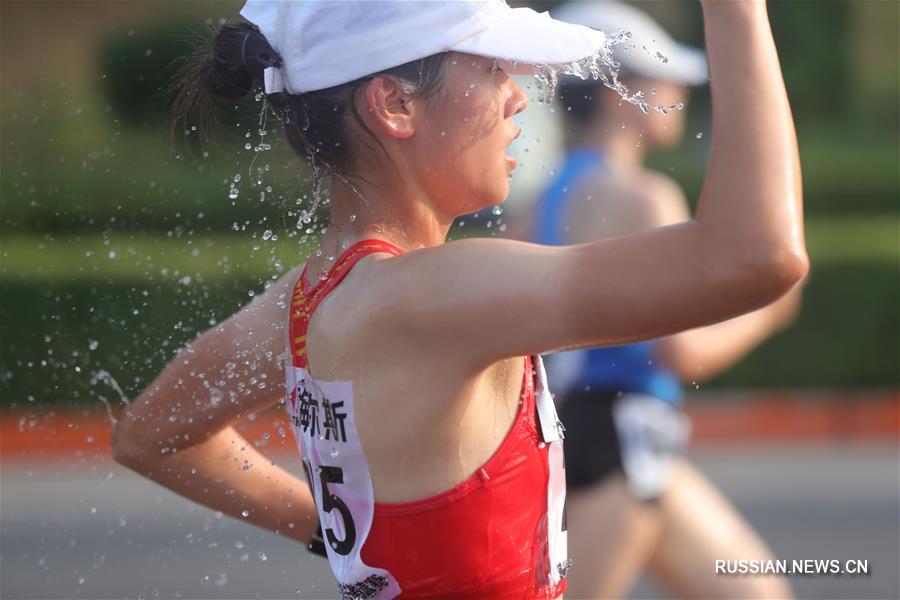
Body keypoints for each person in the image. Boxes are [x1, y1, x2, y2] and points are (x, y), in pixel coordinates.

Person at [111, 1, 808, 598]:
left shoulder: (306, 298)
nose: (520, 97)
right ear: (395, 105)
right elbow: (755, 256)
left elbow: (151, 436)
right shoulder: (437, 297)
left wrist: (341, 528)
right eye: (494, 70)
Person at [521, 2, 800, 598]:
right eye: (666, 75)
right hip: (624, 445)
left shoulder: (529, 207)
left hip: (578, 443)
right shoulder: (648, 197)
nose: (679, 91)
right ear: (623, 92)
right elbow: (683, 355)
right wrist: (769, 317)